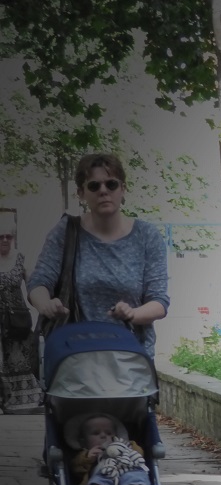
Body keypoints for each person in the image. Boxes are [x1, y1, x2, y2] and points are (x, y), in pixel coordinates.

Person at [26, 152, 170, 358]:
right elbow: (39, 281)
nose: (103, 191)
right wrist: (46, 304)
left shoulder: (147, 236)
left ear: (123, 189)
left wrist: (132, 314)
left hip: (130, 362)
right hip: (75, 360)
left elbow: (159, 302)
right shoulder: (66, 231)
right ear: (81, 193)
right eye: (94, 186)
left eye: (111, 184)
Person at [0, 210, 41, 413]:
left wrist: (44, 306)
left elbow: (34, 288)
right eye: (1, 236)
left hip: (16, 320)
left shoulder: (22, 259)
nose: (5, 240)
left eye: (9, 236)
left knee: (19, 360)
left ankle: (22, 403)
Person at [70, 413, 149, 485]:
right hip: (104, 474)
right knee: (97, 483)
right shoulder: (85, 453)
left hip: (127, 471)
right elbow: (76, 469)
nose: (103, 436)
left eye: (109, 433)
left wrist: (127, 446)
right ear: (83, 441)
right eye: (96, 433)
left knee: (137, 479)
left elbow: (139, 455)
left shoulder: (124, 445)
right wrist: (87, 458)